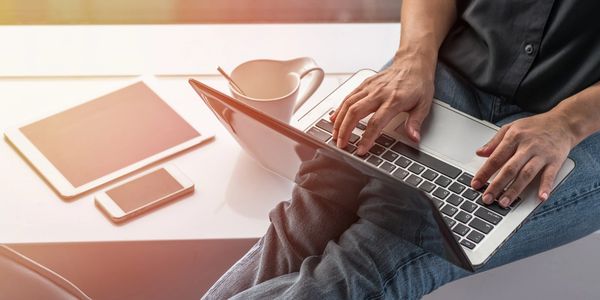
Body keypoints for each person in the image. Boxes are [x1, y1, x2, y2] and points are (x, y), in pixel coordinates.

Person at [204, 0, 600, 298]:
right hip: (449, 67)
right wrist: (413, 56)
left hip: (583, 125)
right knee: (315, 208)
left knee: (375, 261)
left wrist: (568, 121)